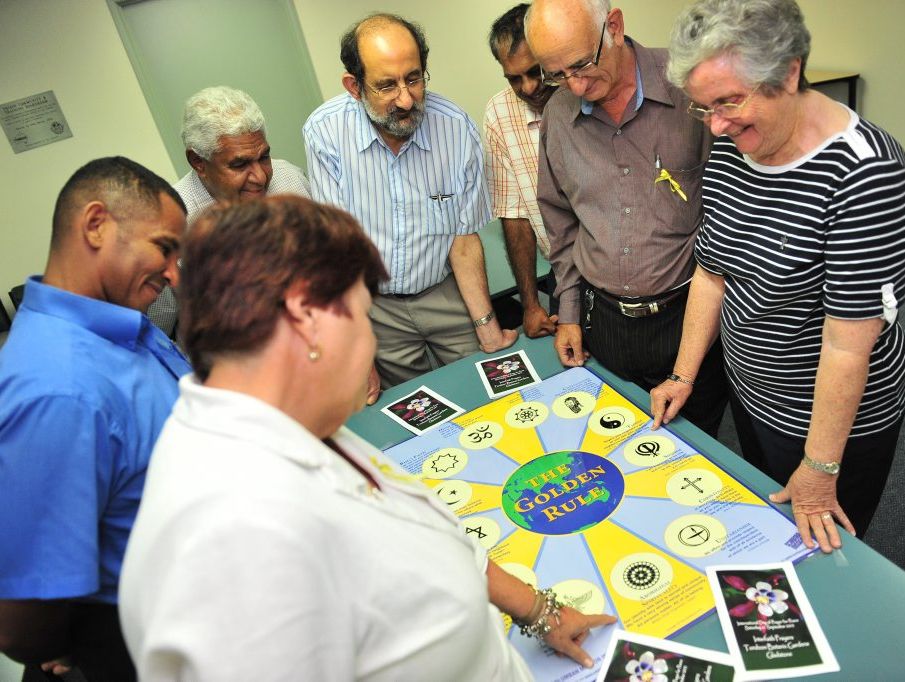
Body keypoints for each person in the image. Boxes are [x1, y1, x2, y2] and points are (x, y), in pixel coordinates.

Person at [118, 195, 614, 680]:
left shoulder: (294, 419)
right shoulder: (240, 539)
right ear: (306, 319)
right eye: (360, 314)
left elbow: (424, 538)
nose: (371, 340)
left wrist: (539, 611)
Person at [651, 0, 905, 554]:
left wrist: (818, 468)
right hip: (755, 397)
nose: (716, 124)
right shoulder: (732, 143)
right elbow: (712, 274)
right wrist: (683, 375)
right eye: (704, 108)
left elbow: (845, 345)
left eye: (728, 101)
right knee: (770, 539)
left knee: (826, 560)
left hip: (832, 429)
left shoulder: (865, 170)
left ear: (789, 72)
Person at [0, 157, 191, 681]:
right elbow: (21, 624)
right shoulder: (58, 389)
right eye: (164, 248)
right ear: (96, 224)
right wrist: (81, 641)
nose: (174, 273)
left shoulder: (119, 326)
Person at [525, 0, 728, 436]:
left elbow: (733, 212)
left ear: (614, 26)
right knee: (614, 449)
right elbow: (561, 222)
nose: (575, 87)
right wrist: (571, 311)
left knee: (699, 454)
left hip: (689, 318)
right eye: (557, 74)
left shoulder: (692, 88)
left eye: (581, 65)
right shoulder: (558, 117)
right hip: (606, 323)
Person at [304, 13, 517, 389]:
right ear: (354, 86)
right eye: (386, 86)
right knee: (411, 414)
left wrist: (488, 330)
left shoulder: (457, 129)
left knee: (488, 390)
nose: (406, 99)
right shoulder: (325, 133)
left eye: (414, 78)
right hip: (376, 307)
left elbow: (464, 241)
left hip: (445, 292)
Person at [146, 85, 310, 340]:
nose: (260, 177)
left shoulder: (290, 180)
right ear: (198, 162)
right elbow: (156, 330)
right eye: (240, 164)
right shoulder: (170, 221)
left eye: (264, 157)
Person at [484, 4, 560, 338]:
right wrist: (530, 304)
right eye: (514, 78)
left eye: (535, 72)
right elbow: (515, 217)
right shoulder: (499, 114)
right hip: (563, 276)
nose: (528, 88)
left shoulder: (584, 91)